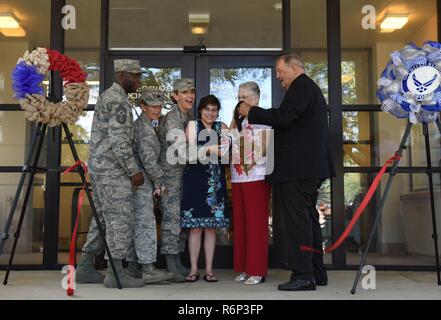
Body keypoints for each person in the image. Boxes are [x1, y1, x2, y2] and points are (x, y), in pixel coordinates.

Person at [239, 53, 335, 291]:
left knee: (298, 222)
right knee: (310, 220)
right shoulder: (307, 88)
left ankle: (303, 275)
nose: (278, 76)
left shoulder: (302, 87)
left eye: (280, 71)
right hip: (306, 168)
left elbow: (284, 118)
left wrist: (253, 111)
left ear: (293, 68)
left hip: (299, 169)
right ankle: (316, 273)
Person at [81, 59, 145, 288]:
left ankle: (85, 266)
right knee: (119, 219)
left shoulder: (108, 96)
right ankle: (115, 272)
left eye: (139, 76)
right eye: (134, 76)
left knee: (101, 220)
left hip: (100, 170)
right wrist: (134, 171)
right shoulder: (118, 101)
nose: (138, 80)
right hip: (113, 172)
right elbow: (119, 142)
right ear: (121, 75)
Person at [125, 88, 174, 284]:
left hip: (143, 182)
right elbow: (149, 160)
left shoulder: (151, 124)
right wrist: (160, 181)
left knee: (138, 223)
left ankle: (134, 267)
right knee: (145, 224)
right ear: (143, 106)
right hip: (142, 183)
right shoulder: (144, 128)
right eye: (153, 106)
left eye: (159, 106)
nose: (157, 110)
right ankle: (148, 268)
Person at [180, 95, 229, 283]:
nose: (211, 113)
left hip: (215, 182)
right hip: (195, 180)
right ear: (200, 110)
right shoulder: (193, 126)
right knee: (195, 229)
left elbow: (228, 152)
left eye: (214, 109)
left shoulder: (222, 127)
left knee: (210, 228)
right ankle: (193, 269)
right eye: (207, 109)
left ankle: (209, 269)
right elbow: (190, 154)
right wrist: (210, 149)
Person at [230, 82, 272, 285]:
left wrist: (247, 160)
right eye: (239, 96)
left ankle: (257, 270)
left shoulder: (262, 118)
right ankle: (244, 268)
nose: (241, 100)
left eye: (245, 96)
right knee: (241, 224)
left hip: (256, 177)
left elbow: (263, 148)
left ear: (256, 98)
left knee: (256, 225)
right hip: (238, 178)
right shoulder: (239, 120)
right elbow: (228, 142)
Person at [157, 78, 196, 283]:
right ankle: (171, 263)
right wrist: (210, 151)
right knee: (172, 218)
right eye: (184, 92)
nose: (190, 96)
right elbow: (182, 152)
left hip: (181, 176)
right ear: (175, 96)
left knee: (180, 218)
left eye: (191, 92)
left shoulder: (187, 116)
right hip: (169, 177)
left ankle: (178, 260)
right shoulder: (173, 119)